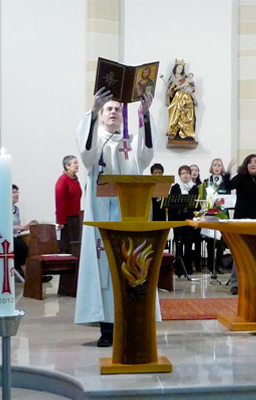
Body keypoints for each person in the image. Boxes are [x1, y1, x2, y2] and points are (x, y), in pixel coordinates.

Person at [74, 87, 155, 347]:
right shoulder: (95, 142)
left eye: (118, 109)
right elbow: (86, 154)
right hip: (100, 218)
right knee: (104, 272)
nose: (113, 113)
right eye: (109, 109)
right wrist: (93, 110)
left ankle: (131, 324)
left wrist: (145, 115)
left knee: (129, 268)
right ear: (101, 113)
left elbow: (147, 154)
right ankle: (107, 328)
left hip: (127, 217)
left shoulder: (130, 144)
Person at [225, 154, 256, 294]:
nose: (253, 164)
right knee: (239, 252)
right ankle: (236, 283)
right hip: (242, 220)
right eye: (250, 162)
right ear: (246, 165)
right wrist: (227, 171)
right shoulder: (241, 178)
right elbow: (228, 186)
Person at [168, 165, 199, 276]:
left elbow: (197, 205)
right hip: (178, 220)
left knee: (189, 244)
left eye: (187, 173)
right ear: (180, 175)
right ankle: (179, 268)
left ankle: (188, 267)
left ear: (191, 175)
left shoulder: (194, 188)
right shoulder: (175, 187)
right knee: (179, 244)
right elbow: (171, 204)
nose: (185, 175)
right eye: (183, 173)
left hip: (190, 220)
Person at [12, 185, 45, 282]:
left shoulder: (16, 209)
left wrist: (27, 227)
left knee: (33, 244)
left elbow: (16, 228)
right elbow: (3, 227)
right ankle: (28, 274)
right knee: (21, 246)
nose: (16, 195)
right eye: (13, 192)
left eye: (17, 192)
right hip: (3, 237)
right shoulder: (2, 208)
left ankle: (37, 273)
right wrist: (22, 227)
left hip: (15, 236)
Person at [55, 155, 82, 254]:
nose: (77, 165)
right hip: (66, 219)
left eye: (77, 162)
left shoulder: (75, 180)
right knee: (67, 245)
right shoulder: (62, 180)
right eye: (74, 163)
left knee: (76, 243)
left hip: (75, 216)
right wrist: (61, 221)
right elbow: (59, 201)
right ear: (67, 166)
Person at [164, 60, 197, 140]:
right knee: (175, 110)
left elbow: (192, 86)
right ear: (175, 68)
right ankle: (173, 131)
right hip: (177, 96)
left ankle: (187, 132)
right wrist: (170, 92)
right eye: (178, 67)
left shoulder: (185, 77)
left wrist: (191, 90)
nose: (180, 69)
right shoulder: (172, 78)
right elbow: (171, 89)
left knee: (188, 112)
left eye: (181, 68)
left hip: (186, 96)